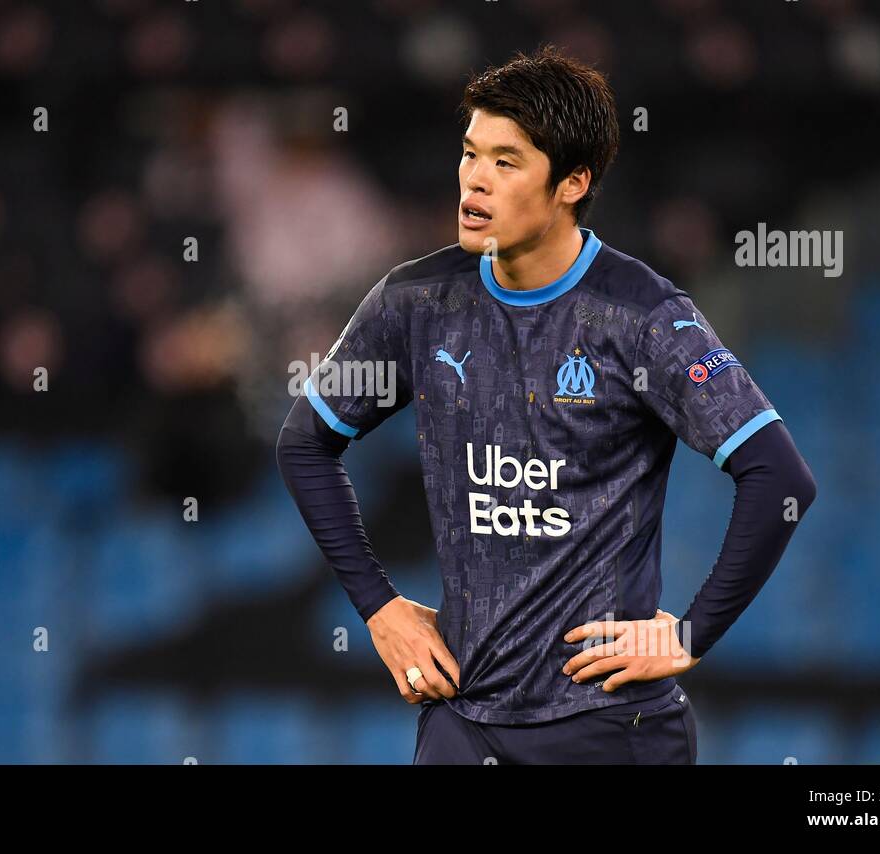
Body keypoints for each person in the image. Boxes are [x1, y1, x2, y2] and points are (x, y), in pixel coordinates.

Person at [276, 45, 817, 764]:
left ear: (572, 182)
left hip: (609, 728)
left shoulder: (642, 317)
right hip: (463, 719)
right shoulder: (415, 302)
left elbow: (779, 477)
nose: (474, 181)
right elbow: (304, 443)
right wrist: (379, 608)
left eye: (507, 162)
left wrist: (691, 633)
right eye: (470, 154)